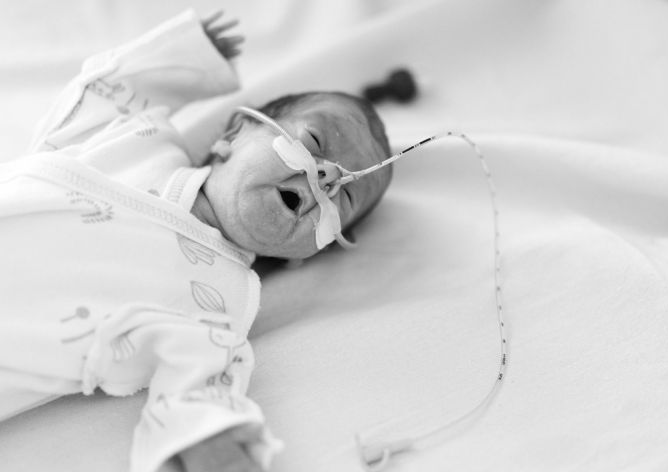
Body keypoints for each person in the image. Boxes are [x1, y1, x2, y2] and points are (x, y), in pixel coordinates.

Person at [0, 9, 392, 472]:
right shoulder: (140, 140)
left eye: (347, 196)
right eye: (314, 141)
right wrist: (187, 58)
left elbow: (198, 382)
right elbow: (97, 95)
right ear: (233, 135)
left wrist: (215, 448)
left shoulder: (222, 300)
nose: (327, 177)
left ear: (306, 255)